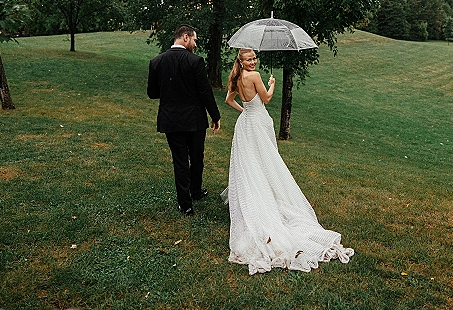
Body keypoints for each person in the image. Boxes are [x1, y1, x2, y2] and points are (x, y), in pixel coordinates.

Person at [223, 48, 354, 274]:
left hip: (246, 125)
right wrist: (272, 83)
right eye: (249, 59)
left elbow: (228, 100)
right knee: (265, 163)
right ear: (241, 61)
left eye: (255, 58)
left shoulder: (236, 77)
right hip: (257, 123)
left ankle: (258, 194)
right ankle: (267, 200)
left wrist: (244, 112)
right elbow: (267, 98)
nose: (253, 62)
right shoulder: (253, 76)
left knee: (252, 165)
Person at [147, 25, 221, 216]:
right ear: (185, 37)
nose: (195, 44)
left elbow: (152, 93)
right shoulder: (195, 61)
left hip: (170, 120)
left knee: (179, 161)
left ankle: (185, 205)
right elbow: (205, 91)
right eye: (195, 40)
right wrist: (215, 116)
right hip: (194, 120)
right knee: (197, 157)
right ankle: (195, 191)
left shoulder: (156, 61)